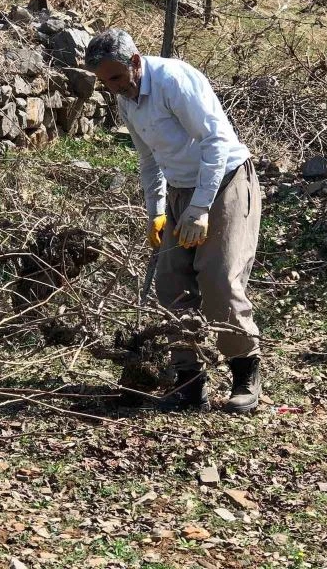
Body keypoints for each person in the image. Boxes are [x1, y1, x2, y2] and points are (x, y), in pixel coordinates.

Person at [84, 29, 262, 412]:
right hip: (181, 189)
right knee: (171, 285)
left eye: (115, 77)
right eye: (104, 82)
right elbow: (148, 160)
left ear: (134, 62)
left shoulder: (173, 80)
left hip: (226, 181)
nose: (112, 87)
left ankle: (245, 375)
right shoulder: (126, 98)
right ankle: (189, 383)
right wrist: (157, 211)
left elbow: (215, 142)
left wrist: (199, 210)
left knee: (218, 279)